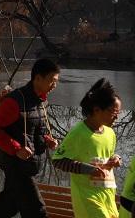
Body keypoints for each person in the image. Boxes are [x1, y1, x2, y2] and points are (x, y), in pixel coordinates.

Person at [0, 58, 61, 218]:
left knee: (8, 205)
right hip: (15, 164)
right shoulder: (15, 101)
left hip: (28, 164)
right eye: (51, 80)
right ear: (37, 78)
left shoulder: (41, 101)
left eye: (56, 81)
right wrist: (16, 148)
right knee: (36, 210)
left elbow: (35, 129)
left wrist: (48, 140)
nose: (54, 85)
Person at [52, 78, 121, 217]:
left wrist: (116, 158)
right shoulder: (78, 133)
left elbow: (107, 156)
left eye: (118, 113)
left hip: (107, 194)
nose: (117, 117)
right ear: (96, 109)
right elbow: (57, 160)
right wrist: (89, 169)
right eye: (113, 112)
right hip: (87, 197)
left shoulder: (110, 133)